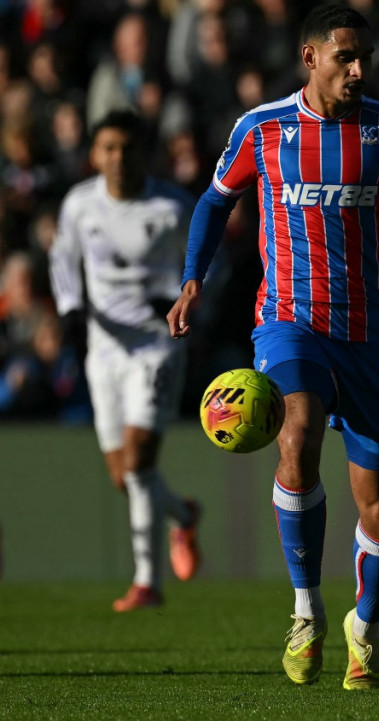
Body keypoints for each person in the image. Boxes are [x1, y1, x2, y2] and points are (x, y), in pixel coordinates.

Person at [165, 5, 379, 689]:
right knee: (297, 431)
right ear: (311, 57)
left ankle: (363, 627)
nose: (360, 70)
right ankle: (306, 609)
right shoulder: (263, 128)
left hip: (371, 335)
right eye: (346, 56)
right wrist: (193, 275)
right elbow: (214, 201)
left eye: (366, 56)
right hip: (290, 321)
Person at [48, 110, 202, 612]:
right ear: (95, 154)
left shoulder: (173, 207)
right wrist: (70, 309)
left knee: (139, 463)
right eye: (108, 148)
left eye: (127, 148)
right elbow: (62, 260)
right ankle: (182, 514)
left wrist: (180, 299)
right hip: (104, 348)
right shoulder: (79, 205)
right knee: (123, 476)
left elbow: (207, 266)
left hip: (157, 345)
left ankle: (146, 583)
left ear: (145, 153)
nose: (118, 158)